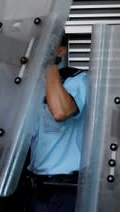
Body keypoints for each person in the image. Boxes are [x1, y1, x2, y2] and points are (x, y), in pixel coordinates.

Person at [26, 34, 90, 212]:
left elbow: (61, 112)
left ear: (61, 51)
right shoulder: (32, 86)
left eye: (47, 46)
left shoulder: (78, 80)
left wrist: (50, 64)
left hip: (65, 189)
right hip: (36, 187)